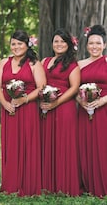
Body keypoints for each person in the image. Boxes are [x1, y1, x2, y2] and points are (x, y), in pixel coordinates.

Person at [0, 30, 46, 196]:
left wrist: (24, 100)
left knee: (27, 143)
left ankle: (28, 183)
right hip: (9, 110)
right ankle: (11, 183)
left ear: (27, 45)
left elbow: (41, 87)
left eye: (20, 43)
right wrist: (5, 103)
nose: (16, 47)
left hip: (28, 109)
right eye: (13, 43)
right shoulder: (4, 62)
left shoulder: (34, 64)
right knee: (11, 144)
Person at [40, 28, 81, 196]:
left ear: (68, 44)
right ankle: (47, 184)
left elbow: (74, 88)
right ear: (52, 43)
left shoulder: (72, 64)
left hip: (64, 108)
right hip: (45, 107)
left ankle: (64, 184)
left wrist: (56, 102)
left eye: (62, 41)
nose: (59, 44)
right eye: (56, 41)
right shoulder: (44, 61)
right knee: (47, 142)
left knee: (63, 144)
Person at [76, 25, 107, 197]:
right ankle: (87, 182)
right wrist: (81, 101)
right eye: (91, 43)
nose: (94, 46)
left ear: (104, 45)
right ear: (86, 45)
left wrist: (102, 100)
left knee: (103, 146)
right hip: (84, 111)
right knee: (85, 145)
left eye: (98, 43)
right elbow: (73, 89)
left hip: (104, 110)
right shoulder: (79, 65)